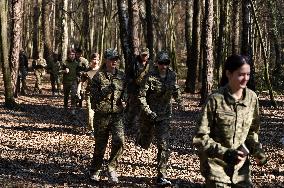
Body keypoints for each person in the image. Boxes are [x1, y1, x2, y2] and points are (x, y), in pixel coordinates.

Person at [193, 54, 267, 187]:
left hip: (240, 170)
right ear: (228, 73)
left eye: (248, 74)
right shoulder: (215, 100)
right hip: (216, 168)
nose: (246, 79)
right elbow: (200, 138)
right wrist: (225, 153)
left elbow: (252, 132)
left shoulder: (252, 98)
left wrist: (257, 151)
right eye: (241, 74)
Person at [137, 50, 184, 186]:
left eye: (166, 63)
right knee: (145, 142)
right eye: (161, 63)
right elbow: (141, 96)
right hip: (149, 115)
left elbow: (175, 89)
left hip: (164, 116)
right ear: (157, 63)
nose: (164, 66)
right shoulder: (149, 76)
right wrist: (147, 111)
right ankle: (141, 136)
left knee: (163, 145)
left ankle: (161, 175)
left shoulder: (172, 75)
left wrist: (180, 101)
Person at [89, 48, 126, 183]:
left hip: (117, 115)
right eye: (112, 59)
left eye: (116, 59)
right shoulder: (98, 76)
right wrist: (106, 90)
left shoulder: (122, 75)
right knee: (100, 145)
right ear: (106, 60)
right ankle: (95, 170)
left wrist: (125, 99)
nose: (114, 61)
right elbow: (93, 98)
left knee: (120, 141)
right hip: (101, 115)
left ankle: (111, 168)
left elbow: (125, 91)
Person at [125, 47, 151, 131]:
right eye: (143, 55)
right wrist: (133, 83)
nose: (144, 56)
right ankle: (128, 126)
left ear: (148, 55)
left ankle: (142, 127)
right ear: (140, 54)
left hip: (147, 91)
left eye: (146, 55)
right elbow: (128, 76)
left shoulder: (151, 64)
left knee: (145, 109)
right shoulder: (134, 63)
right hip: (135, 90)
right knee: (133, 109)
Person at [77, 53, 100, 134]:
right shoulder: (88, 70)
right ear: (91, 60)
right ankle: (92, 129)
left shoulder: (102, 71)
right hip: (89, 94)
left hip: (100, 95)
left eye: (97, 60)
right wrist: (78, 90)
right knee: (90, 113)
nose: (96, 61)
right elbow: (81, 81)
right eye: (94, 59)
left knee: (99, 114)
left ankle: (99, 129)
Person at [61, 49, 79, 114]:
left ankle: (72, 109)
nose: (72, 56)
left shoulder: (77, 63)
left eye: (73, 54)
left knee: (73, 95)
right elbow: (59, 71)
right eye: (71, 54)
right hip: (66, 82)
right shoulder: (64, 63)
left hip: (74, 82)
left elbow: (79, 72)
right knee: (66, 96)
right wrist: (64, 71)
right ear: (68, 55)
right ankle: (65, 107)